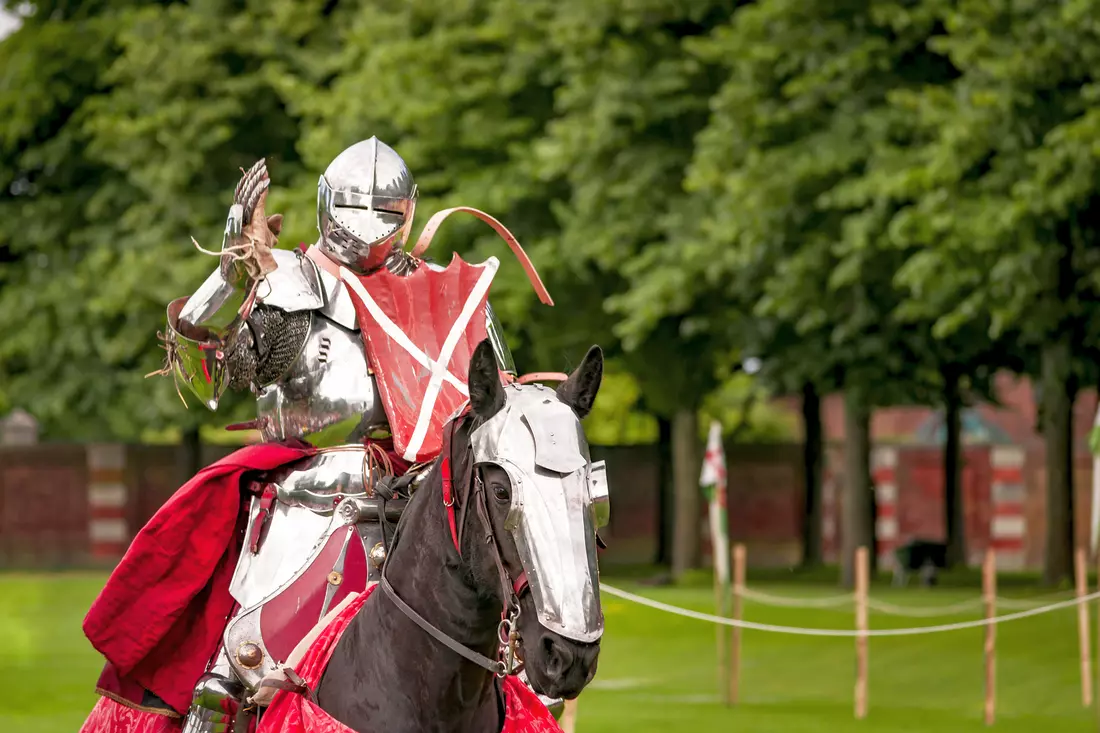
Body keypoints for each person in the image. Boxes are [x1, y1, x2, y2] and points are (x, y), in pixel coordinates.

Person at [79, 138, 560, 733]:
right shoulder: (295, 287)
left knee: (510, 670)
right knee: (235, 671)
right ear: (328, 205)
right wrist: (232, 276)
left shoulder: (451, 301)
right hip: (311, 510)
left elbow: (499, 412)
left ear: (407, 212)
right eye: (357, 208)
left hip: (434, 513)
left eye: (384, 212)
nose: (369, 226)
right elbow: (207, 370)